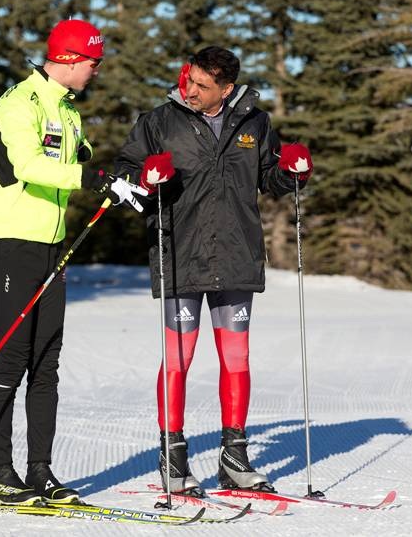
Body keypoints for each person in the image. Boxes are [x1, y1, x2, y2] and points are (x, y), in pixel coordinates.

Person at [115, 46, 313, 495]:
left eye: (203, 86)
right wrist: (146, 177)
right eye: (190, 80)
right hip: (179, 256)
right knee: (178, 360)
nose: (191, 90)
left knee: (237, 358)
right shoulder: (158, 122)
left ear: (226, 89)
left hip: (236, 256)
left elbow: (271, 179)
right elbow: (126, 176)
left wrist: (294, 172)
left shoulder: (254, 123)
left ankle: (234, 458)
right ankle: (173, 458)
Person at [0, 18, 146, 505]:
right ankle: (0, 470)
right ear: (71, 60)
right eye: (94, 62)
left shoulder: (69, 112)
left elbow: (82, 156)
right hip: (11, 241)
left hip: (53, 244)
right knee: (13, 356)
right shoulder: (17, 103)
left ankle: (39, 471)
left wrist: (118, 178)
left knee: (46, 362)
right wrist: (92, 177)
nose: (97, 70)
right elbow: (29, 165)